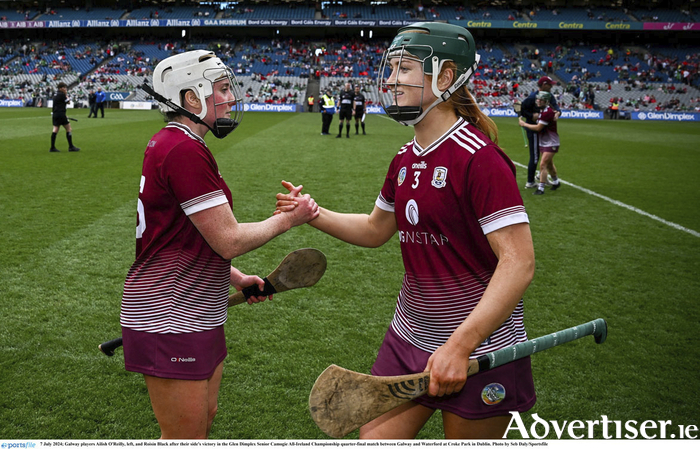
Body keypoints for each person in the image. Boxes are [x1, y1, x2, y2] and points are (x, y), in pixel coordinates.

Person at [277, 23, 536, 439]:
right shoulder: (403, 159)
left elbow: (519, 262)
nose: (392, 80)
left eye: (406, 69)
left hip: (480, 348)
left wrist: (460, 344)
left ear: (446, 77)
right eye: (392, 68)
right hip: (409, 337)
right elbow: (376, 229)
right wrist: (314, 213)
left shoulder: (479, 159)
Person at [119, 50, 318, 439]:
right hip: (170, 314)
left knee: (202, 423)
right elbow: (227, 239)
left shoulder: (179, 144)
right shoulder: (183, 150)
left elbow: (183, 238)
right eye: (222, 89)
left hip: (196, 310)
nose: (230, 97)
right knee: (185, 438)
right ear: (192, 98)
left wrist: (238, 278)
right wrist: (289, 219)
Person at [519, 76, 559, 189]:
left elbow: (556, 107)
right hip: (534, 130)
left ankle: (543, 178)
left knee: (546, 155)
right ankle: (530, 182)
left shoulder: (549, 96)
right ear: (544, 85)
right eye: (549, 84)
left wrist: (558, 113)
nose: (551, 86)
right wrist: (531, 116)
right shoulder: (532, 97)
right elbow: (521, 109)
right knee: (535, 156)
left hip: (545, 131)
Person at [50, 82, 80, 152]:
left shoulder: (55, 94)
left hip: (55, 113)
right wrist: (66, 94)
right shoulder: (62, 94)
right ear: (60, 88)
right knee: (68, 128)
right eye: (64, 87)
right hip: (61, 113)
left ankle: (52, 147)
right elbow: (68, 102)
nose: (65, 89)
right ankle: (71, 146)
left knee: (55, 129)